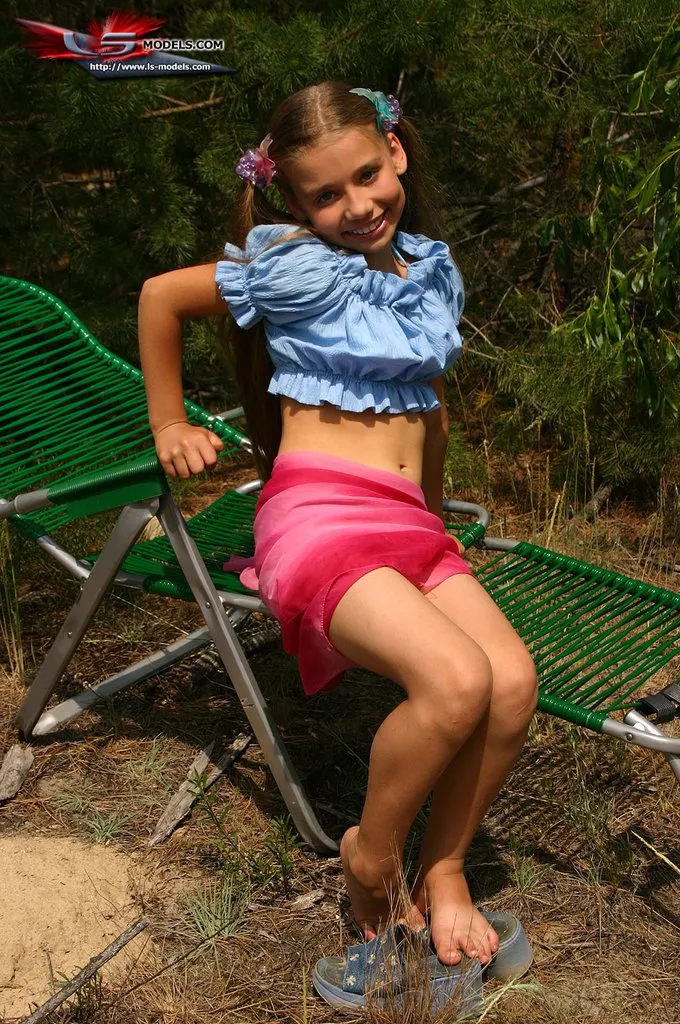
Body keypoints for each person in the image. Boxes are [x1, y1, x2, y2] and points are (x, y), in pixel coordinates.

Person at [138, 80, 538, 971]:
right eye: (325, 194)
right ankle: (370, 856)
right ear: (292, 200)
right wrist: (169, 423)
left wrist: (435, 519)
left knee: (512, 684)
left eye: (366, 175)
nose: (356, 205)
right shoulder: (294, 266)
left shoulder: (425, 272)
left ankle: (444, 868)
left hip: (407, 523)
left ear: (395, 151)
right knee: (456, 681)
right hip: (318, 517)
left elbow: (428, 408)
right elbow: (161, 296)